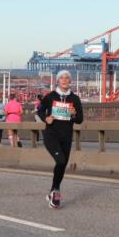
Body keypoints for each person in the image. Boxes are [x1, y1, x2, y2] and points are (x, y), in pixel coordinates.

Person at [37, 70, 84, 209]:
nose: (64, 80)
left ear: (70, 81)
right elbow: (39, 110)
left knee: (62, 165)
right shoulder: (50, 96)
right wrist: (46, 118)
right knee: (61, 160)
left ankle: (52, 191)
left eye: (67, 78)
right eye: (61, 78)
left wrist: (74, 114)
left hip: (66, 136)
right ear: (57, 81)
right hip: (51, 134)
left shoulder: (75, 99)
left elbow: (80, 120)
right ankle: (56, 191)